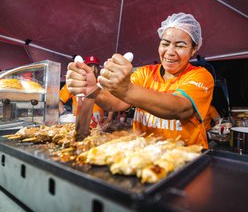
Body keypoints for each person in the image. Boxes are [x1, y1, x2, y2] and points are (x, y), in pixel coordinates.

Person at [65, 13, 214, 148]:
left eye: (180, 46)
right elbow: (116, 102)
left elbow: (180, 108)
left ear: (194, 49)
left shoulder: (200, 76)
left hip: (186, 160)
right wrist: (93, 90)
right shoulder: (145, 73)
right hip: (144, 158)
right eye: (165, 43)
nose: (170, 52)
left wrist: (126, 89)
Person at [59, 55, 114, 128]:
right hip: (78, 126)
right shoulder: (76, 82)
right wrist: (64, 114)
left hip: (98, 127)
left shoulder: (102, 84)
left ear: (98, 68)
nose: (93, 69)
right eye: (90, 66)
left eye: (95, 66)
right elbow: (59, 101)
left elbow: (112, 103)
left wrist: (109, 118)